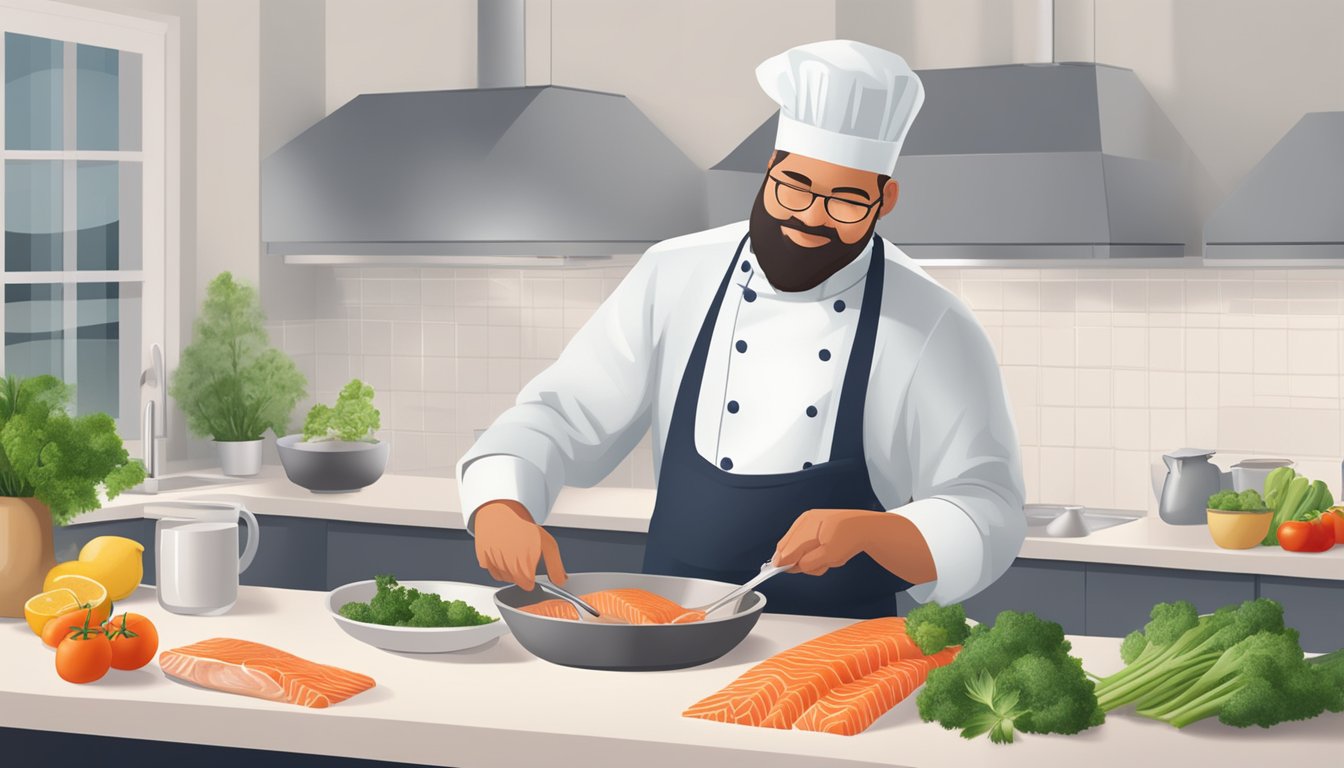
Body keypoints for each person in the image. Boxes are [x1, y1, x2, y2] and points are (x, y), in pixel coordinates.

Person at [457, 40, 1026, 618]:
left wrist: (873, 533)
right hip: (666, 630)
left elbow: (988, 506)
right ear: (770, 170)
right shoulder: (675, 272)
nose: (809, 216)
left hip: (836, 649)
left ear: (886, 201)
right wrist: (502, 502)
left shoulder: (933, 321)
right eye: (795, 186)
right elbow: (562, 410)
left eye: (846, 201)